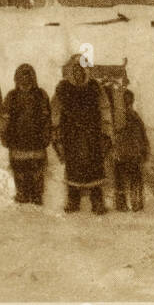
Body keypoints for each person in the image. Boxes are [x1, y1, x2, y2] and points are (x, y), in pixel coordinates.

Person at [51, 55, 113, 214]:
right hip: (71, 135)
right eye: (75, 70)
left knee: (95, 167)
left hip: (92, 134)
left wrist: (106, 132)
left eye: (81, 70)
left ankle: (97, 202)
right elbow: (56, 111)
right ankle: (73, 201)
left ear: (85, 71)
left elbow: (105, 109)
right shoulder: (63, 88)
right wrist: (56, 130)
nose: (78, 73)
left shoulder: (94, 87)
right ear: (72, 72)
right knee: (73, 167)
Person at [0, 63, 51, 204]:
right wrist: (4, 134)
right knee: (19, 169)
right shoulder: (12, 96)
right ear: (17, 78)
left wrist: (46, 134)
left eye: (28, 76)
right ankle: (22, 192)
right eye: (22, 76)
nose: (25, 80)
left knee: (37, 169)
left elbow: (46, 117)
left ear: (33, 78)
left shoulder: (41, 94)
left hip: (36, 139)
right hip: (17, 139)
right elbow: (4, 117)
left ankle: (37, 194)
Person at [112, 88, 149, 212]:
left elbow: (142, 135)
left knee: (130, 179)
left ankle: (134, 203)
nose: (128, 103)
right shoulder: (119, 117)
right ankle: (125, 204)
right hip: (123, 153)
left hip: (131, 153)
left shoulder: (134, 116)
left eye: (129, 100)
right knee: (124, 180)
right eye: (125, 100)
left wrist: (144, 150)